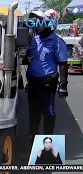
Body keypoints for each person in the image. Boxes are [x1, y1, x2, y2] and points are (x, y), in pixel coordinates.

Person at [23, 10, 68, 140]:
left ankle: (48, 138)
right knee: (33, 111)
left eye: (41, 24)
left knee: (48, 112)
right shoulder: (34, 40)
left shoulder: (57, 42)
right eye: (37, 25)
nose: (38, 27)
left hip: (47, 83)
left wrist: (63, 86)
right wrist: (27, 59)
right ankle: (33, 134)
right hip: (33, 83)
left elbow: (63, 64)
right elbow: (27, 58)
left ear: (49, 24)